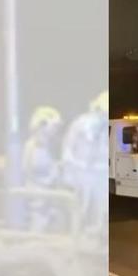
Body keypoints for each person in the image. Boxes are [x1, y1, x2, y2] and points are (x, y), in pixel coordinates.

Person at [61, 96, 106, 234]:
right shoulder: (80, 124)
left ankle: (98, 235)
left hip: (100, 174)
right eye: (102, 112)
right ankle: (75, 235)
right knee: (80, 208)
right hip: (81, 173)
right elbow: (67, 149)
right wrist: (70, 171)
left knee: (101, 209)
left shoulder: (107, 126)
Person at [23, 105, 63, 231]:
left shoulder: (52, 146)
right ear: (42, 125)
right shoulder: (31, 146)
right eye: (54, 126)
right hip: (37, 195)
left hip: (51, 194)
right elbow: (27, 170)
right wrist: (45, 181)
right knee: (38, 224)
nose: (56, 130)